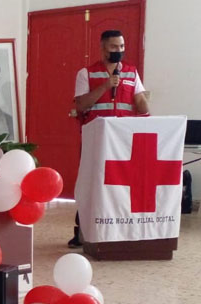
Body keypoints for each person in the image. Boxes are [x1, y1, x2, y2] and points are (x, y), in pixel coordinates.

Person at [69, 29, 150, 247]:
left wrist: (143, 99)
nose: (119, 50)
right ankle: (82, 231)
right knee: (91, 183)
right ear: (103, 48)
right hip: (96, 139)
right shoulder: (86, 73)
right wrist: (106, 85)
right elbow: (81, 105)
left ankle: (118, 230)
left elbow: (142, 106)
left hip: (123, 139)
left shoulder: (131, 72)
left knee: (121, 184)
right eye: (114, 46)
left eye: (122, 46)